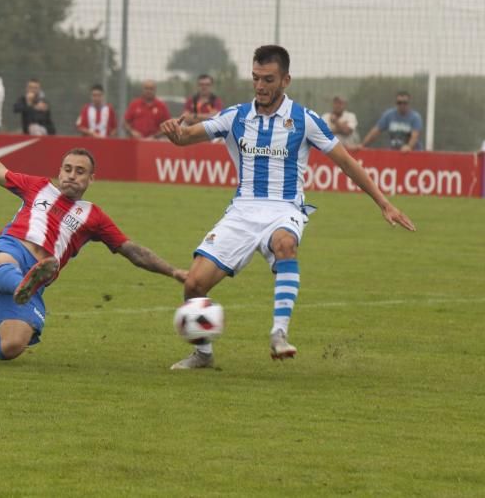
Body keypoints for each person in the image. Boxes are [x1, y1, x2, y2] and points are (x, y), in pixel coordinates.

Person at [160, 45, 415, 370]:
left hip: (285, 208)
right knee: (194, 284)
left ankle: (279, 333)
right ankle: (203, 355)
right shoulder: (236, 116)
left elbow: (347, 162)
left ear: (285, 80)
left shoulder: (304, 120)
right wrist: (174, 132)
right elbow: (186, 137)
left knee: (285, 243)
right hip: (242, 211)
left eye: (268, 79)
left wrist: (384, 203)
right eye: (255, 78)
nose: (260, 86)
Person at [0, 122, 186, 361]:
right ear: (60, 171)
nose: (72, 175)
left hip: (38, 275)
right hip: (13, 247)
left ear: (91, 179)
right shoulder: (38, 186)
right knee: (2, 260)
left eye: (80, 171)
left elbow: (132, 251)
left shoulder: (94, 216)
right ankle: (21, 283)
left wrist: (173, 271)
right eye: (67, 169)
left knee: (10, 346)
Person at [359, 91, 423, 151]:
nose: (402, 105)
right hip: (395, 152)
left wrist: (408, 146)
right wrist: (362, 145)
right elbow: (375, 132)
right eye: (399, 103)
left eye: (405, 103)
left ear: (409, 103)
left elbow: (415, 136)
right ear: (396, 103)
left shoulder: (415, 117)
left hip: (412, 153)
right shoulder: (389, 115)